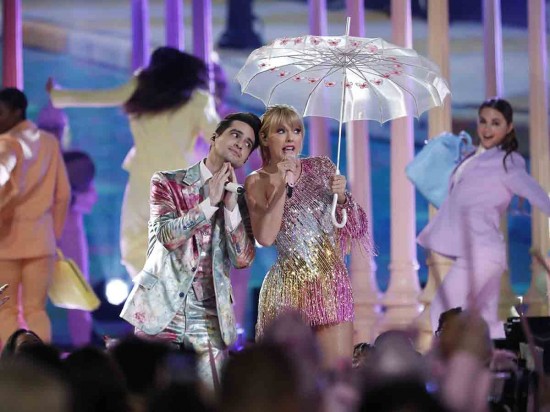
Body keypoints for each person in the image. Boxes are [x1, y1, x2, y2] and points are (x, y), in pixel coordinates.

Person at [48, 46, 220, 278]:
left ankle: (150, 290)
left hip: (143, 182)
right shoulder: (197, 99)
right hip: (180, 185)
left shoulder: (141, 87)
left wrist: (58, 96)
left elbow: (100, 98)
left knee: (134, 245)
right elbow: (220, 138)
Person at [120, 112, 260, 388]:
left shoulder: (240, 201)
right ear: (214, 137)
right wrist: (209, 204)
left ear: (246, 158)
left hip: (209, 317)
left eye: (247, 144)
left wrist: (230, 207)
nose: (240, 144)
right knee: (151, 394)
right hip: (161, 308)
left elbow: (243, 259)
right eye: (235, 135)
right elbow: (167, 236)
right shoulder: (167, 182)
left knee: (207, 398)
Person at [245, 105, 371, 368]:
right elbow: (265, 237)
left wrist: (343, 198)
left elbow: (357, 228)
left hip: (330, 285)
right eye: (281, 131)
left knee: (337, 373)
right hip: (286, 290)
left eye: (296, 130)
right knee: (289, 379)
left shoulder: (322, 167)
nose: (291, 137)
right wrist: (282, 184)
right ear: (265, 138)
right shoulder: (257, 181)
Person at [418, 98, 550, 339]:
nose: (487, 129)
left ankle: (523, 345)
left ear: (509, 127)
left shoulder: (507, 162)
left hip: (481, 253)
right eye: (483, 121)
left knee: (442, 312)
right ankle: (514, 354)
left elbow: (535, 192)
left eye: (496, 123)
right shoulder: (474, 158)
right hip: (483, 253)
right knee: (485, 323)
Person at [0, 88, 71, 344]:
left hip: (5, 240)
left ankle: (15, 360)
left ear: (17, 111)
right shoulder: (49, 142)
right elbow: (63, 194)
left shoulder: (6, 143)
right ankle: (42, 360)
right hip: (42, 239)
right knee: (36, 310)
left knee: (5, 310)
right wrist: (54, 234)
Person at [58, 151, 98, 347]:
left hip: (70, 237)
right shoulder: (37, 160)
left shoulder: (76, 161)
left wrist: (68, 194)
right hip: (36, 237)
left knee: (78, 295)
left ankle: (83, 348)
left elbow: (88, 199)